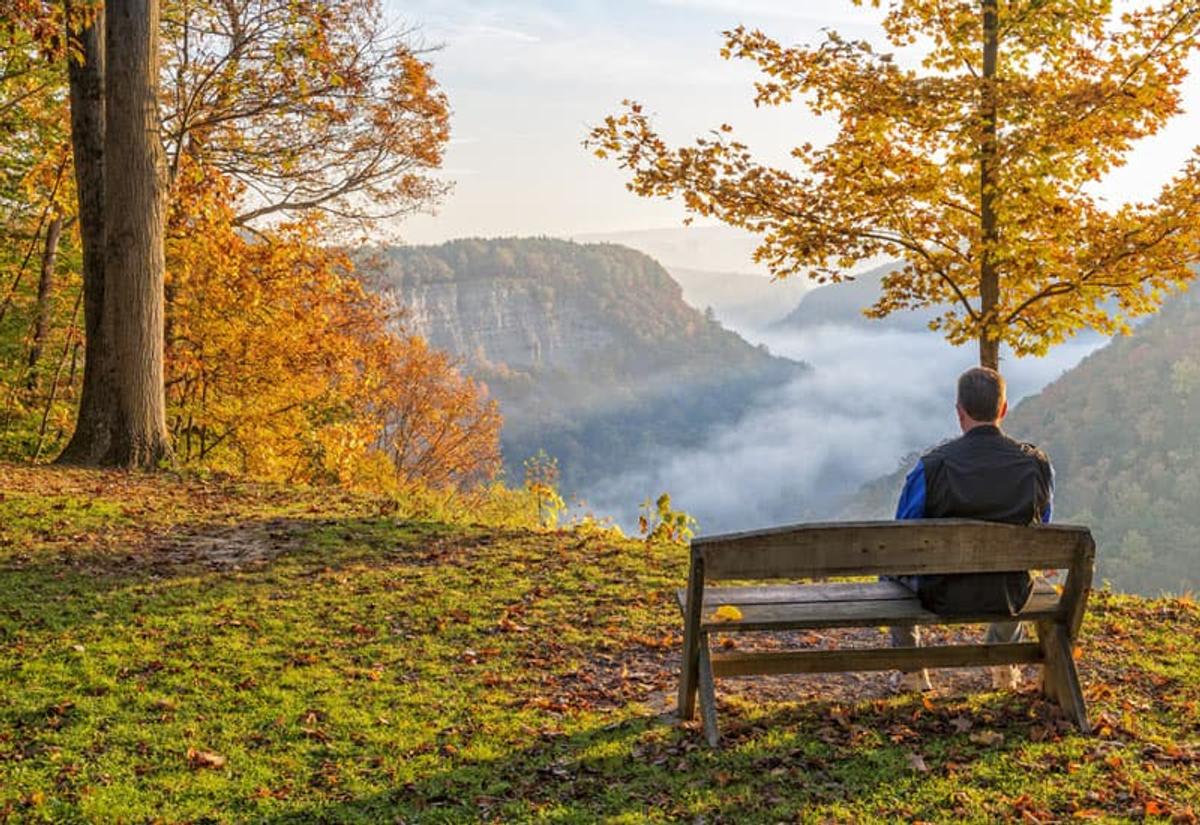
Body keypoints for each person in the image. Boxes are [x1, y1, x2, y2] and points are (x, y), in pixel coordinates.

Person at [889, 366, 1054, 693]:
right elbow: (1042, 527)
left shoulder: (931, 469)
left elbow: (901, 540)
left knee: (892, 566)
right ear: (1003, 409)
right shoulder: (1036, 466)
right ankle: (1004, 666)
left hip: (939, 593)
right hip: (1008, 592)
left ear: (959, 412)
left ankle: (911, 672)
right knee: (1016, 566)